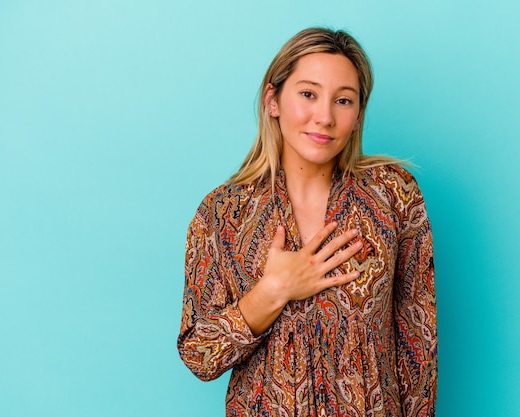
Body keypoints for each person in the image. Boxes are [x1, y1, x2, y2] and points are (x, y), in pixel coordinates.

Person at [178, 27, 437, 417]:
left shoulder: (394, 195)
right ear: (273, 100)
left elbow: (417, 344)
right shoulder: (221, 213)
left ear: (358, 114)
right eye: (308, 94)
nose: (325, 117)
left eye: (344, 100)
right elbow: (200, 356)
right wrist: (273, 291)